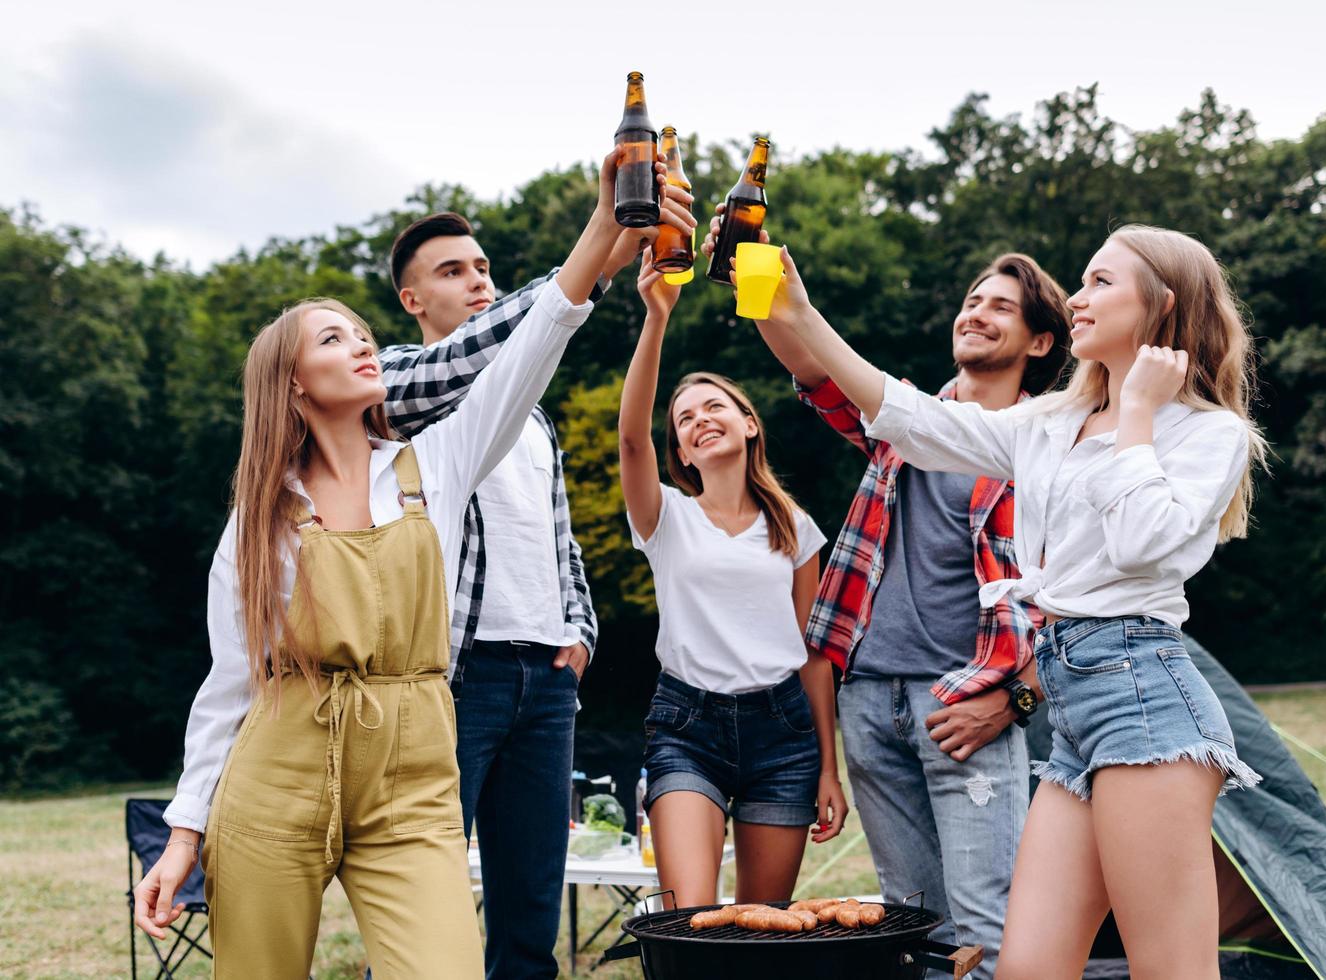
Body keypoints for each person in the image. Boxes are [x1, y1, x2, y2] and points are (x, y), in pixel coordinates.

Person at [131, 151, 630, 980]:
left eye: (362, 335)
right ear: (293, 385)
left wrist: (605, 225)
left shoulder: (436, 463)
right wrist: (185, 833)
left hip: (412, 774)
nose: (362, 346)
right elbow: (227, 690)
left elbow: (534, 344)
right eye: (335, 339)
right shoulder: (256, 527)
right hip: (275, 778)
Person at [744, 225, 1266, 979]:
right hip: (1073, 706)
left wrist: (1140, 414)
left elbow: (1145, 542)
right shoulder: (1050, 422)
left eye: (1098, 282)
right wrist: (797, 309)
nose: (1078, 298)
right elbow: (916, 423)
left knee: (1171, 971)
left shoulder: (1207, 432)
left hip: (1143, 701)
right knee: (1024, 969)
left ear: (1160, 303)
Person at [713, 216, 1071, 972]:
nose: (975, 312)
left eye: (1000, 306)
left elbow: (1071, 605)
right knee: (909, 925)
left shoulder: (1048, 450)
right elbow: (811, 370)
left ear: (1039, 342)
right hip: (870, 702)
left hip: (966, 708)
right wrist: (760, 278)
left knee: (984, 923)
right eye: (971, 300)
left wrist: (1015, 704)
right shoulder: (901, 418)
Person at [378, 187, 692, 978]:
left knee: (529, 904)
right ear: (413, 299)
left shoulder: (537, 418)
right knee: (417, 894)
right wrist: (596, 258)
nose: (478, 280)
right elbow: (484, 348)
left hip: (546, 679)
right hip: (454, 676)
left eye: (483, 266)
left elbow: (559, 543)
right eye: (453, 271)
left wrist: (580, 628)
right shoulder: (397, 391)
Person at [617, 250, 848, 907]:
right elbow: (631, 441)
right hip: (687, 725)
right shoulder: (665, 518)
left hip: (783, 734)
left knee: (758, 928)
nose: (699, 419)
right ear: (683, 455)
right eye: (685, 420)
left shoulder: (795, 527)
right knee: (689, 917)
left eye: (713, 406)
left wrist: (828, 769)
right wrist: (655, 319)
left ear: (749, 424)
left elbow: (813, 652)